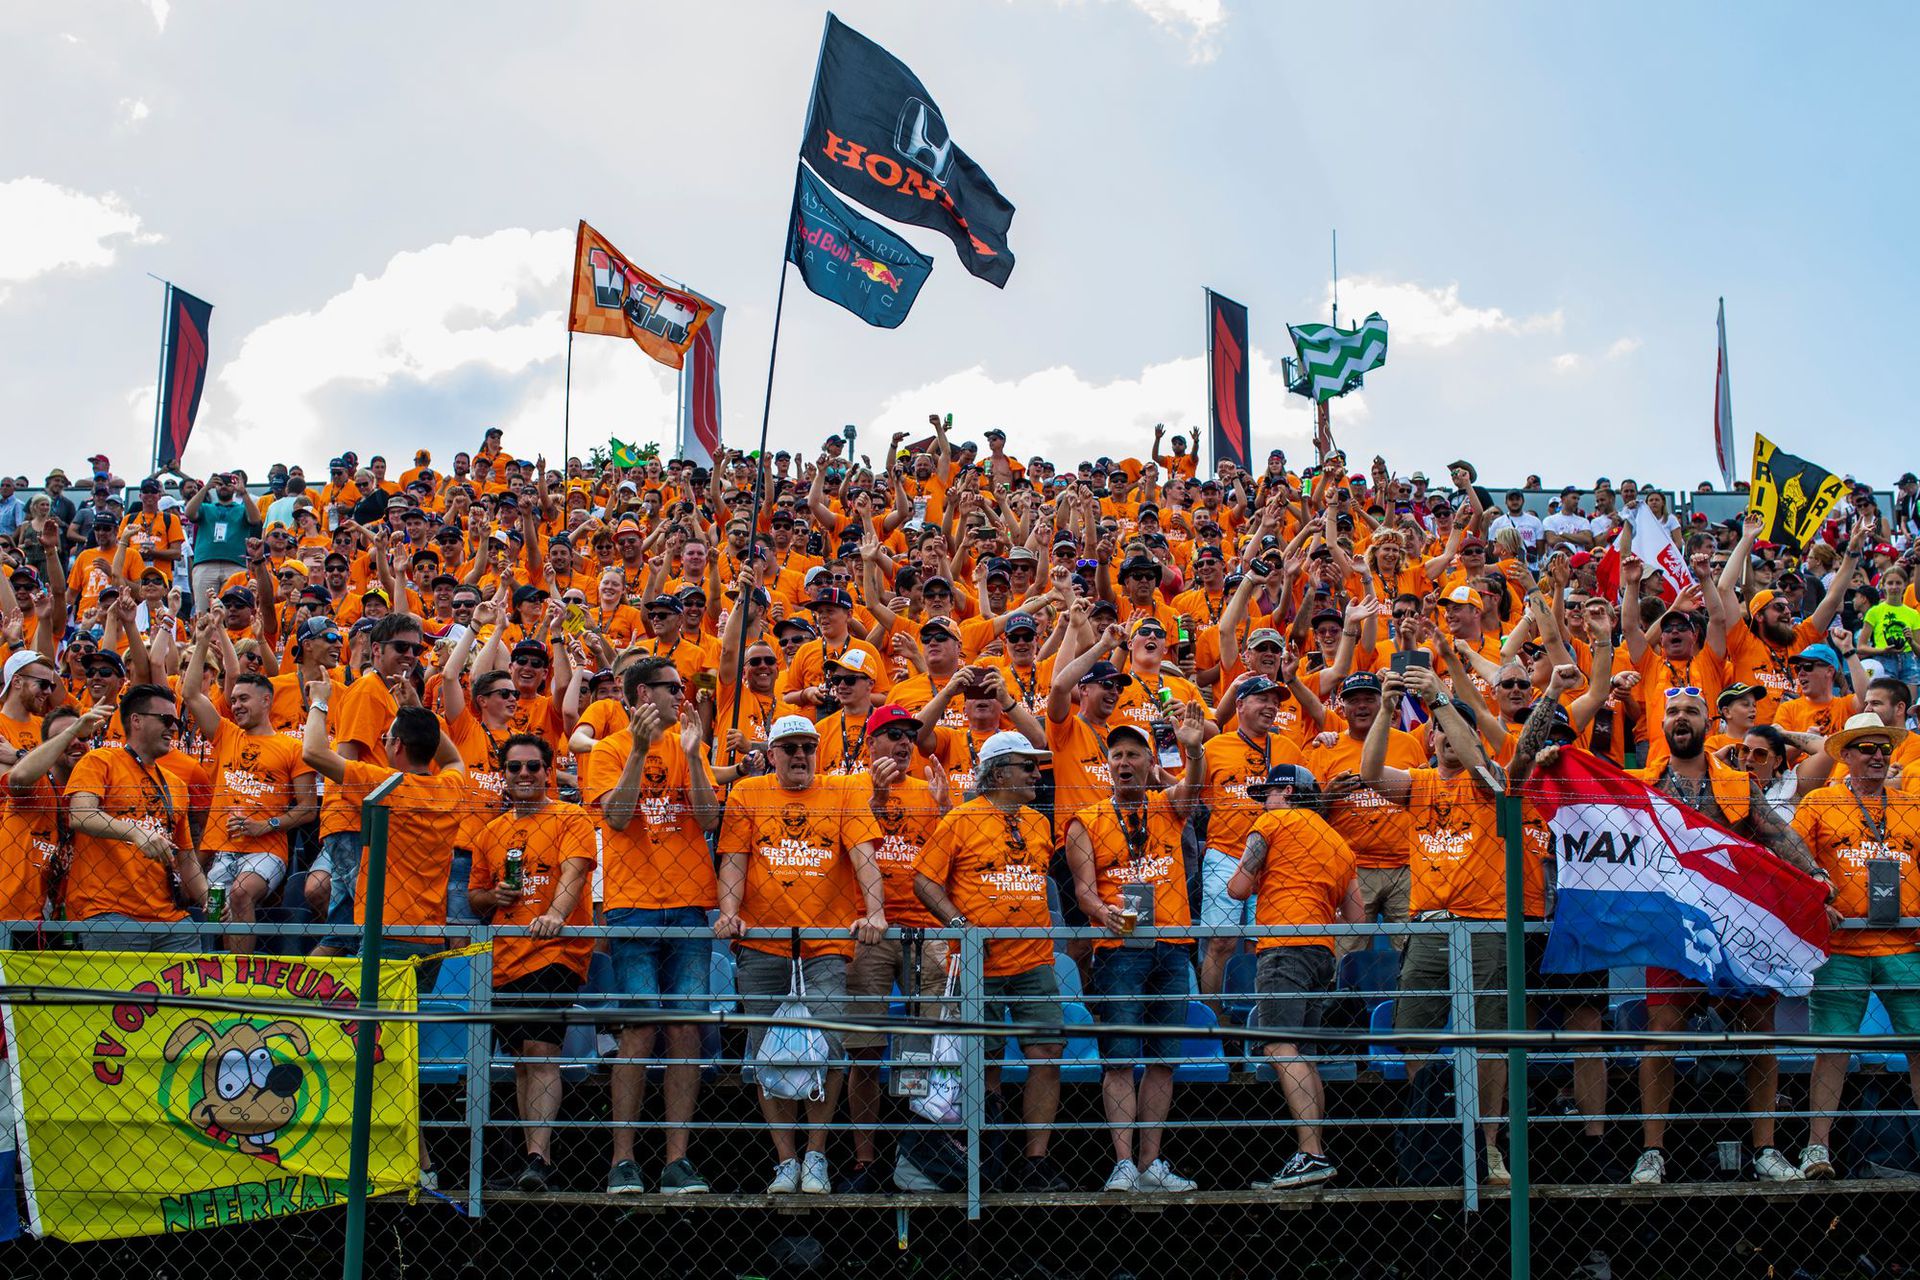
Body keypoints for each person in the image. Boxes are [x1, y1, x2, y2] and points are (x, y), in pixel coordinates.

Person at [1622, 689, 1824, 1185]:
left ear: (1705, 722)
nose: (1680, 719)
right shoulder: (1642, 784)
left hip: (1735, 926)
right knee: (1661, 1033)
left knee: (1760, 1030)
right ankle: (1652, 1152)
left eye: (1691, 711)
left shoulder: (1736, 783)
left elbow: (1777, 831)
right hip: (1672, 928)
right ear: (1663, 724)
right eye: (1672, 712)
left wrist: (1815, 873)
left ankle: (1766, 1149)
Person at [716, 714, 887, 1195]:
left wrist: (875, 912)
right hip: (761, 942)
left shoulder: (844, 792)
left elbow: (864, 857)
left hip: (826, 944)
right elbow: (733, 859)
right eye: (788, 747)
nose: (799, 755)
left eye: (807, 747)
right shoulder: (748, 794)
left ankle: (816, 1154)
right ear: (770, 754)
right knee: (765, 1053)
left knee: (828, 1049)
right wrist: (729, 911)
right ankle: (785, 1160)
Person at [1360, 663, 1513, 1184]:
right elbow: (1371, 774)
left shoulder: (1495, 781)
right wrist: (1384, 710)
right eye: (1440, 730)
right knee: (1413, 1035)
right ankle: (1435, 1130)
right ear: (1428, 736)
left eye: (1460, 730)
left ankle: (1486, 1146)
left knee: (1491, 1040)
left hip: (1485, 924)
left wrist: (1444, 701)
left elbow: (1483, 767)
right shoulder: (1420, 783)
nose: (1449, 737)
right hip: (1429, 925)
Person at [586, 655, 721, 1195]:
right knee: (639, 1029)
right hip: (632, 904)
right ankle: (623, 1160)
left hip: (689, 901)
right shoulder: (609, 749)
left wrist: (691, 759)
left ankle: (676, 1160)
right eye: (672, 688)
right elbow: (617, 817)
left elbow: (710, 819)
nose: (681, 695)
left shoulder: (692, 743)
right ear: (644, 694)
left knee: (685, 1029)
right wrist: (640, 752)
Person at [914, 730, 1068, 1191]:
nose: (1037, 775)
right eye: (1027, 766)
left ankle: (1036, 1162)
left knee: (1047, 1052)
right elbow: (924, 880)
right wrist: (960, 923)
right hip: (978, 963)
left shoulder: (1040, 823)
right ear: (999, 772)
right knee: (985, 1062)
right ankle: (989, 1156)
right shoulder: (961, 820)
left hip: (1035, 960)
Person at [1066, 706, 1207, 1194]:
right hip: (1119, 944)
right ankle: (1123, 1163)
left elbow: (1193, 790)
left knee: (1165, 1058)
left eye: (1134, 754)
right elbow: (1083, 891)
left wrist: (1191, 749)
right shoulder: (1085, 819)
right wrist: (1103, 914)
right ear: (1107, 765)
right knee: (1120, 1058)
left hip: (1172, 943)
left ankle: (1151, 1164)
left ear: (1150, 763)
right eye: (1117, 755)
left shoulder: (1166, 806)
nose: (1125, 762)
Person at [1792, 713, 1920, 1179]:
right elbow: (1792, 858)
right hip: (1842, 946)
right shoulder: (1819, 802)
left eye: (1883, 748)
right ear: (1844, 756)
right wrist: (1814, 897)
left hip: (1905, 944)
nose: (1878, 755)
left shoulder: (1911, 804)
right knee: (1832, 1048)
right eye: (1866, 748)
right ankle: (1817, 1150)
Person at [468, 733, 597, 1192]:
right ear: (503, 775)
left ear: (548, 772)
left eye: (533, 767)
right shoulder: (490, 832)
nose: (524, 775)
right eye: (515, 768)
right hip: (504, 957)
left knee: (542, 1054)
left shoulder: (571, 816)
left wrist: (554, 916)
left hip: (554, 951)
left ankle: (540, 1157)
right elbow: (475, 894)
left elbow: (575, 872)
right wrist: (494, 896)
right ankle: (530, 1156)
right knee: (523, 1059)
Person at [1228, 763, 1360, 1188]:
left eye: (1268, 792)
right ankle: (1314, 1152)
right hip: (1322, 951)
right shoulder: (1338, 840)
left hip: (1283, 944)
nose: (1263, 802)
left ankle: (1311, 1153)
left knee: (1281, 1046)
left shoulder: (1272, 820)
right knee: (1303, 1052)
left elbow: (1238, 888)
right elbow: (1356, 915)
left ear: (1286, 791)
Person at [843, 703, 951, 1193]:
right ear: (869, 744)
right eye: (891, 735)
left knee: (924, 1048)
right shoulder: (845, 789)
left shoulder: (930, 791)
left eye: (909, 735)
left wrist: (947, 811)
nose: (904, 743)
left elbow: (950, 862)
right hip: (868, 930)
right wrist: (875, 795)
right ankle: (867, 1162)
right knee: (864, 1050)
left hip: (925, 931)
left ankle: (918, 1155)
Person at [179, 609, 318, 952]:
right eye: (234, 699)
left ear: (266, 700)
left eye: (243, 699)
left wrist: (265, 825)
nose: (235, 705)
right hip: (221, 848)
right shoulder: (225, 733)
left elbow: (308, 809)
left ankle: (241, 978)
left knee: (241, 893)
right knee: (214, 913)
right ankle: (221, 977)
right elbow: (191, 693)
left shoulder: (292, 748)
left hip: (266, 849)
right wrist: (201, 640)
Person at [64, 683, 204, 951]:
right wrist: (135, 832)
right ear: (136, 721)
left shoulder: (176, 784)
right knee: (122, 994)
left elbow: (186, 857)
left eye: (175, 721)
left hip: (169, 918)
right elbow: (81, 815)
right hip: (107, 911)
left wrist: (209, 898)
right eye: (165, 719)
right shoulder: (100, 761)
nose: (173, 728)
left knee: (190, 991)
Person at [1306, 672, 1427, 954]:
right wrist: (1329, 795)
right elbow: (1308, 817)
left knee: (1411, 952)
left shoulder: (1408, 744)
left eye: (1369, 699)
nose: (1361, 706)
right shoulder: (1327, 748)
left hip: (1406, 866)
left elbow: (1422, 798)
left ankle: (1406, 1001)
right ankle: (1343, 1001)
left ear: (1382, 702)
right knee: (1347, 953)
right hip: (1352, 868)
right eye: (1354, 700)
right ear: (1341, 707)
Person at [1197, 674, 1300, 998]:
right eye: (1262, 699)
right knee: (1221, 940)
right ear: (1239, 704)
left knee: (1264, 943)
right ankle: (1212, 1020)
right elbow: (1194, 796)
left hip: (1275, 859)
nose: (1271, 706)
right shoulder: (1214, 747)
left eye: (1275, 701)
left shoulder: (1289, 748)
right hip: (1225, 853)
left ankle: (1260, 1015)